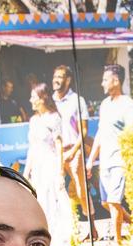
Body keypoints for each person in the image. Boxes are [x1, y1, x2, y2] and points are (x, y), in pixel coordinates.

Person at [87, 64, 133, 245]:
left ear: (115, 81)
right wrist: (91, 159)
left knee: (114, 202)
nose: (102, 84)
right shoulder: (104, 105)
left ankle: (118, 244)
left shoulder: (128, 105)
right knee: (105, 203)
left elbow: (132, 134)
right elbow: (100, 133)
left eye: (105, 80)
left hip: (119, 160)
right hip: (105, 161)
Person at [24, 83, 74, 246]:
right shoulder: (33, 120)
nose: (31, 100)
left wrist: (60, 171)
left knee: (54, 200)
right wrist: (26, 171)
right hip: (37, 167)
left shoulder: (54, 118)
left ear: (42, 99)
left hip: (50, 164)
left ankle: (59, 238)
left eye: (34, 97)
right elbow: (32, 147)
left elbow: (59, 144)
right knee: (41, 202)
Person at [51, 65, 89, 208]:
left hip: (74, 151)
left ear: (68, 80)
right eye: (54, 77)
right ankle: (69, 226)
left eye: (60, 77)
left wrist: (73, 153)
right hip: (56, 153)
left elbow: (83, 131)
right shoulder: (50, 102)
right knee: (56, 191)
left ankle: (92, 227)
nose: (56, 80)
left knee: (81, 191)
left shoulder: (77, 100)